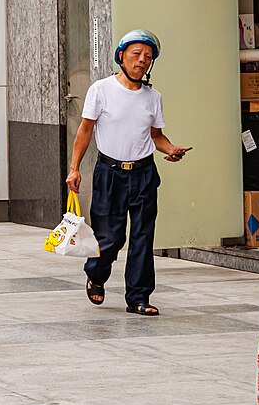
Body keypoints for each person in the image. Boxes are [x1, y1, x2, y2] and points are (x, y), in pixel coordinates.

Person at [65, 30, 190, 315]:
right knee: (110, 238)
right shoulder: (101, 89)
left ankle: (138, 297)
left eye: (147, 57)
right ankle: (96, 274)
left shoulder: (152, 97)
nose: (142, 61)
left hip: (144, 173)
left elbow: (156, 136)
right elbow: (85, 131)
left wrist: (170, 149)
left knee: (143, 238)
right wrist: (74, 169)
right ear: (121, 56)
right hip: (110, 173)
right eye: (136, 55)